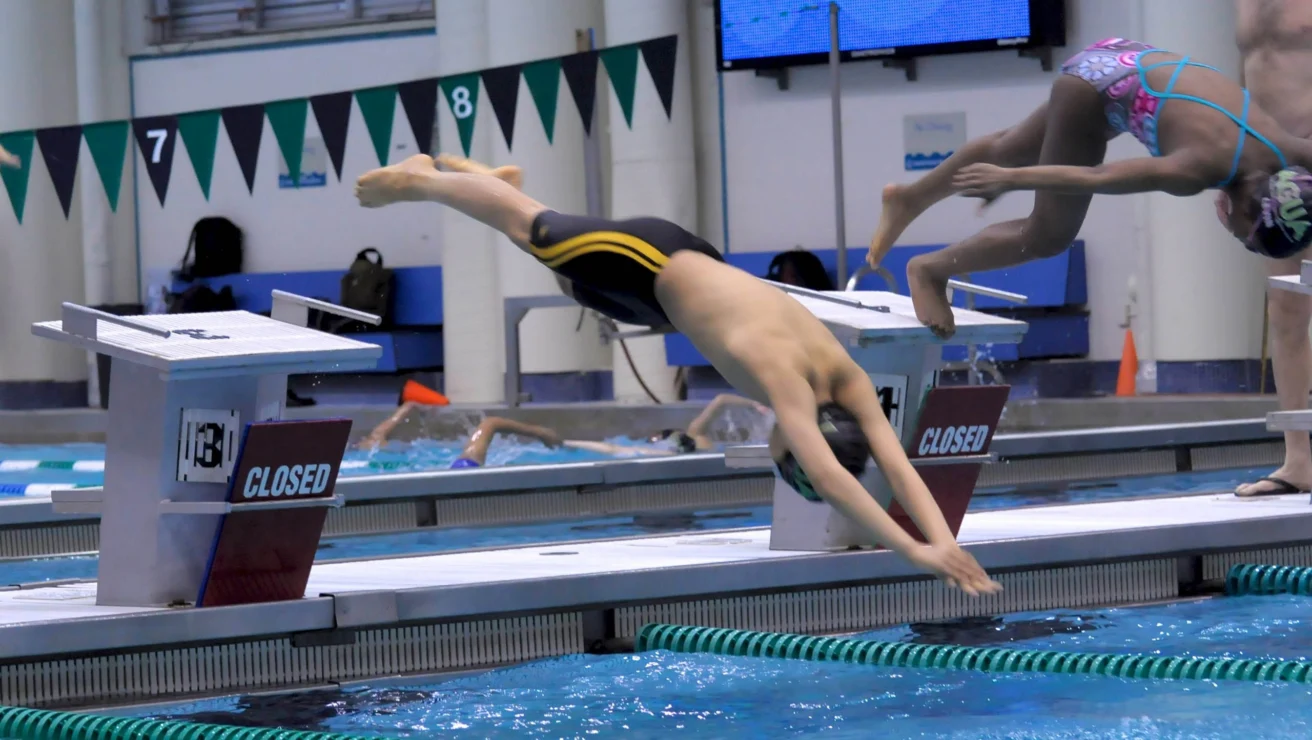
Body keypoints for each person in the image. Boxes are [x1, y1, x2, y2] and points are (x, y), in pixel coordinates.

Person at [353, 152, 1001, 596]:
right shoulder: (788, 385)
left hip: (670, 284)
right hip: (654, 258)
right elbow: (833, 476)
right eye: (785, 462)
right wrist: (914, 551)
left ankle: (491, 180)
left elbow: (898, 463)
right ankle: (424, 179)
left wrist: (943, 542)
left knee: (574, 278)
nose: (776, 453)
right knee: (536, 232)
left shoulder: (849, 379)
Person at [866, 37, 1312, 339]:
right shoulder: (1194, 170)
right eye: (1244, 236)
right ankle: (930, 270)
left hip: (1119, 56)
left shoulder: (1288, 151)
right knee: (1047, 235)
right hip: (1092, 99)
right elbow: (1095, 178)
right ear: (1253, 210)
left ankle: (910, 197)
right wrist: (1011, 181)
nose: (1233, 234)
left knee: (1010, 145)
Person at [1232, 1, 1312, 497]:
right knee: (1285, 308)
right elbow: (1242, 82)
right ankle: (1299, 459)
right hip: (1272, 166)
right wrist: (1234, 166)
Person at [359, 392, 769, 460]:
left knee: (597, 448)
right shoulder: (695, 442)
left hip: (622, 455)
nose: (653, 435)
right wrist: (754, 404)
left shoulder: (692, 444)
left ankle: (555, 441)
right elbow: (718, 403)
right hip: (623, 455)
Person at [357, 400, 563, 469]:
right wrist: (540, 433)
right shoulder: (463, 470)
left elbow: (377, 435)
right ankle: (541, 432)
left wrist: (408, 407)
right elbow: (490, 422)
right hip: (459, 473)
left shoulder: (369, 454)